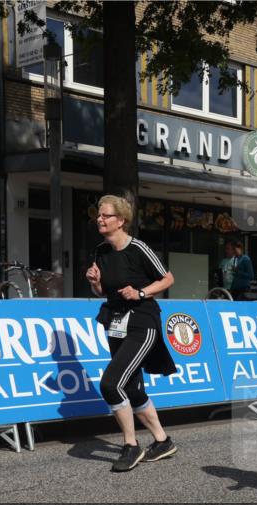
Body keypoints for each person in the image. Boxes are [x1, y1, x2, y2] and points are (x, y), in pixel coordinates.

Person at [86, 195, 178, 473]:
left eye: (106, 215)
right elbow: (102, 291)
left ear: (121, 220)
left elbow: (168, 278)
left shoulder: (138, 248)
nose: (100, 219)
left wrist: (140, 292)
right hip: (116, 322)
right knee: (132, 388)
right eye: (98, 215)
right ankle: (162, 441)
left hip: (142, 322)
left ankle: (131, 445)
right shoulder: (101, 250)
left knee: (110, 384)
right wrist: (95, 283)